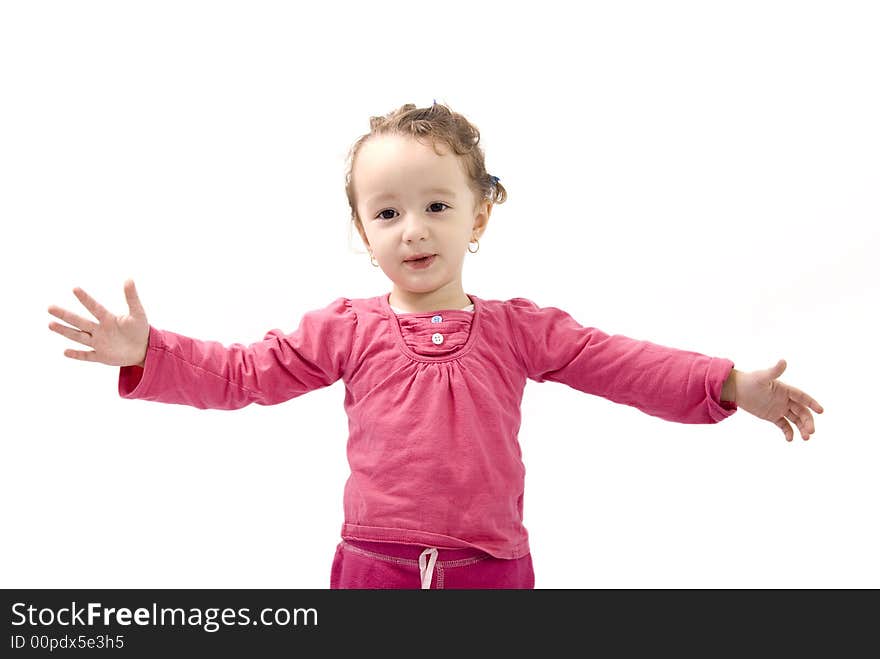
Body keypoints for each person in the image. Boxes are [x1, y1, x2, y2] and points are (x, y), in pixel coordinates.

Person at [47, 101, 824, 589]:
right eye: (386, 213)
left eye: (436, 204)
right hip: (371, 567)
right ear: (363, 233)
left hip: (493, 570)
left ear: (478, 217)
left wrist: (727, 384)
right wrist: (151, 352)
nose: (412, 228)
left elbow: (624, 363)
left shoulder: (521, 329)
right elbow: (244, 372)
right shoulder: (345, 328)